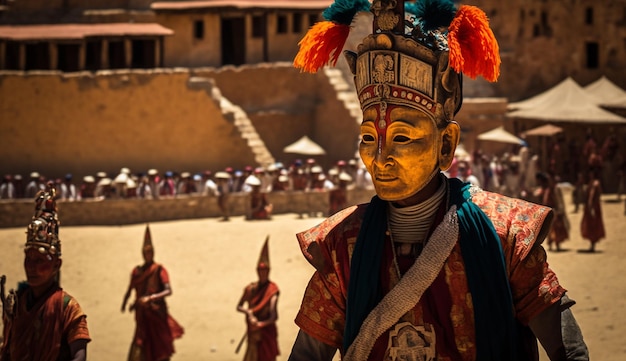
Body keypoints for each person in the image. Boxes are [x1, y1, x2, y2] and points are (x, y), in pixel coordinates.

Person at [288, 0, 588, 360]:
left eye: (402, 138)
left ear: (446, 144)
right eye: (368, 138)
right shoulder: (341, 246)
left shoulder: (505, 235)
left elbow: (568, 350)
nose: (380, 158)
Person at [1, 182, 91, 360]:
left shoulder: (68, 309)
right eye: (28, 259)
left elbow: (79, 357)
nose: (31, 267)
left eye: (40, 260)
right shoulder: (18, 304)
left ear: (56, 265)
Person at [121, 225, 184, 361]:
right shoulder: (138, 271)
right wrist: (128, 303)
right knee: (141, 344)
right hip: (142, 315)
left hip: (156, 313)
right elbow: (131, 288)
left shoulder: (159, 270)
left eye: (150, 252)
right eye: (145, 252)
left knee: (160, 348)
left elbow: (168, 290)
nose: (147, 255)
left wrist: (150, 298)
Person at [236, 237, 280, 361]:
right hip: (253, 334)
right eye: (260, 270)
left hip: (266, 332)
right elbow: (239, 306)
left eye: (265, 270)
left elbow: (274, 316)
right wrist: (248, 312)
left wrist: (260, 324)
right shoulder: (250, 289)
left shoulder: (273, 290)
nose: (262, 273)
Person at [534, 172, 569, 252]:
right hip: (547, 210)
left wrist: (559, 210)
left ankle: (557, 244)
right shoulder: (545, 189)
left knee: (556, 228)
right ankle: (551, 243)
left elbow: (558, 201)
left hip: (554, 210)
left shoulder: (555, 189)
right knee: (549, 228)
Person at [580, 168, 605, 252]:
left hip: (593, 207)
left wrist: (590, 207)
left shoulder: (594, 183)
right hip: (594, 207)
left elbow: (591, 196)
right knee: (593, 225)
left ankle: (592, 244)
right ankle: (592, 244)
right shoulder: (594, 183)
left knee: (592, 225)